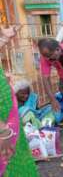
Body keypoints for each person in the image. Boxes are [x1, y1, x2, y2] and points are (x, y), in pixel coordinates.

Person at [0, 26, 39, 176]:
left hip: (8, 120)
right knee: (8, 163)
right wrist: (3, 132)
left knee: (16, 160)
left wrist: (4, 39)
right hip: (4, 127)